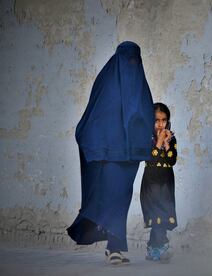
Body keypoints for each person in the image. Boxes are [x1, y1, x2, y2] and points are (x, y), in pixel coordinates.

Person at [67, 41, 154, 265]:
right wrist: (97, 143)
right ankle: (115, 248)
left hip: (131, 154)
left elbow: (147, 117)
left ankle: (113, 247)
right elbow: (94, 115)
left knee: (122, 198)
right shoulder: (106, 82)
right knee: (113, 198)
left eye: (135, 60)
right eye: (128, 60)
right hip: (109, 153)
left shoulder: (141, 86)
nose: (131, 64)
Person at [140, 102, 178, 262]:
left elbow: (172, 160)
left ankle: (155, 248)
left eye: (164, 120)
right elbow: (152, 157)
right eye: (156, 120)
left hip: (166, 182)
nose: (160, 124)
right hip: (151, 182)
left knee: (163, 214)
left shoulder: (171, 137)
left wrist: (167, 144)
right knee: (157, 216)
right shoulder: (146, 138)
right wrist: (159, 142)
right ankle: (158, 247)